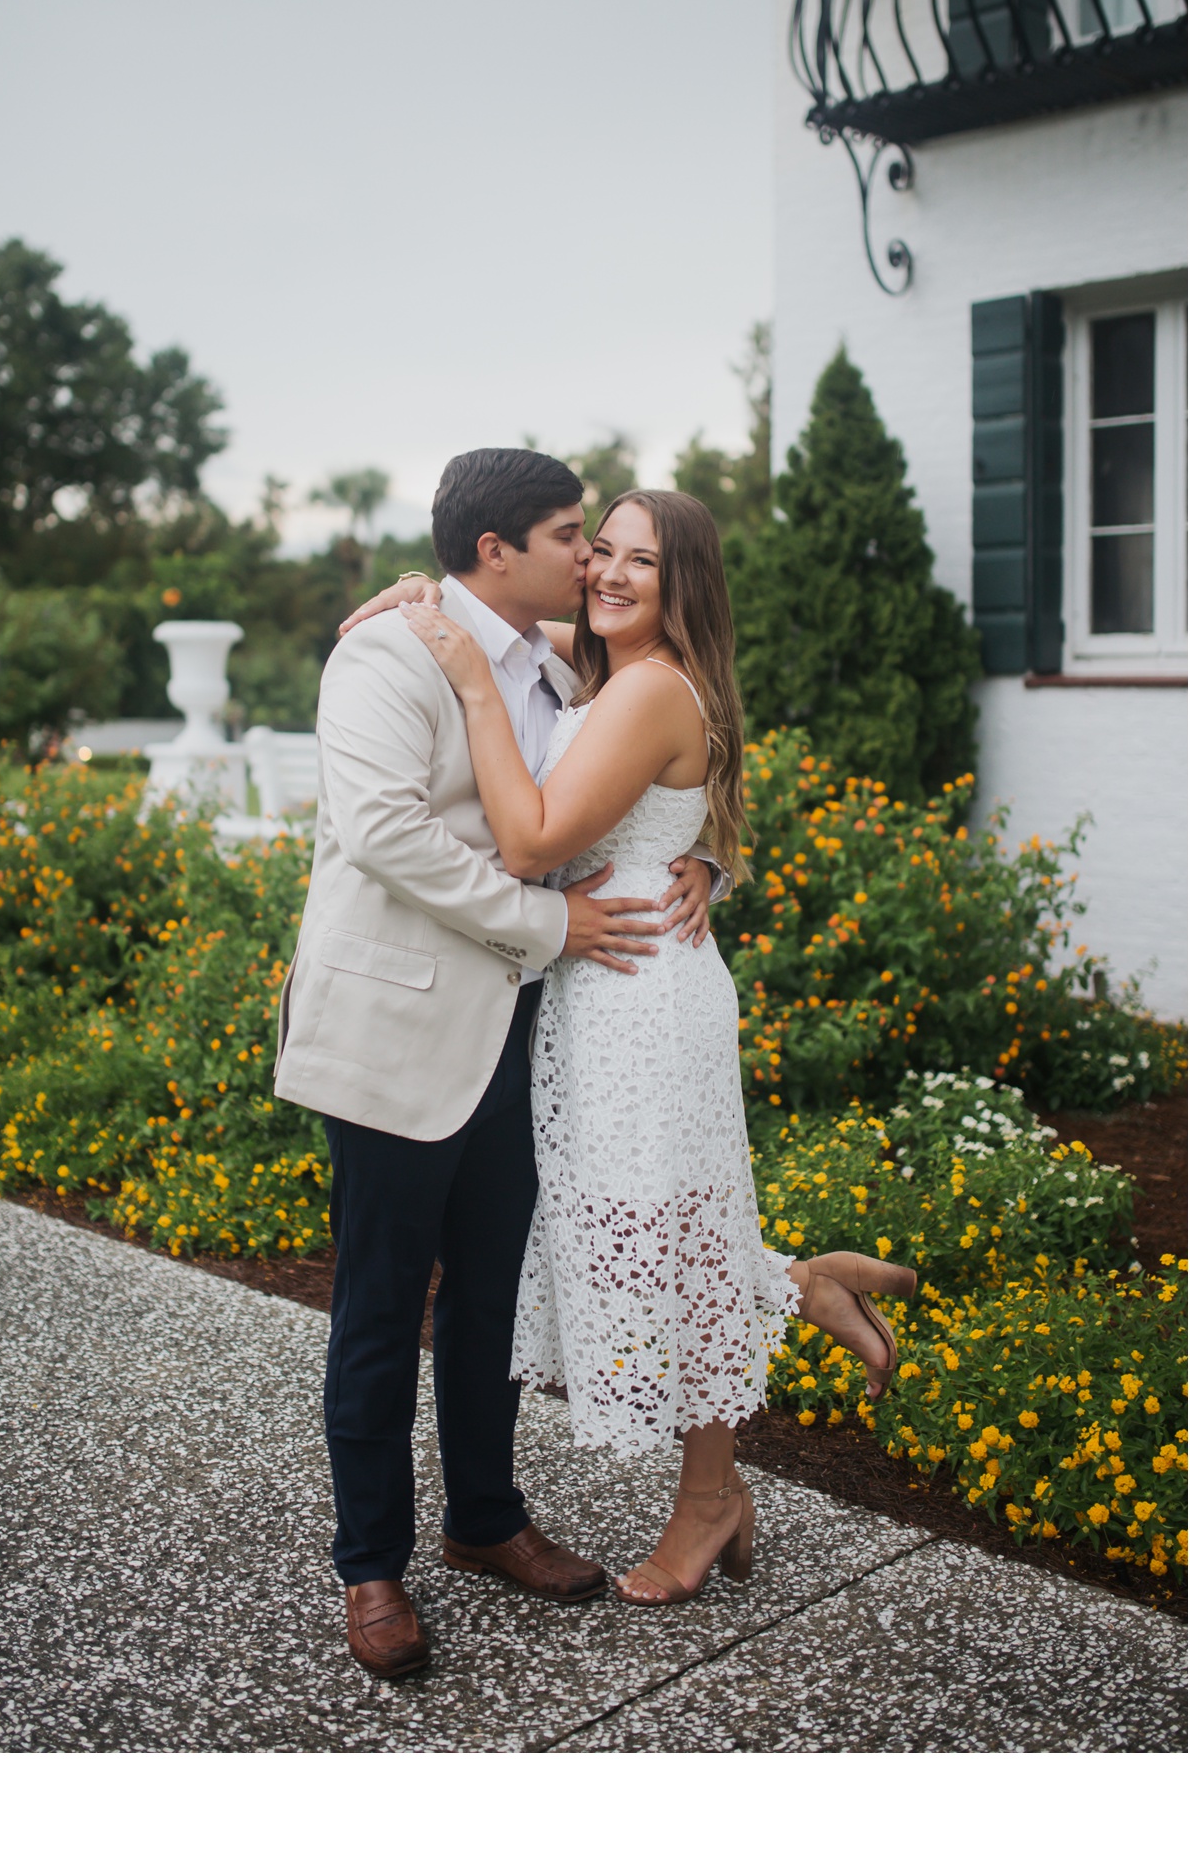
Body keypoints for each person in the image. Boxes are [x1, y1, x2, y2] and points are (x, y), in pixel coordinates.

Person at [390, 487, 917, 1605]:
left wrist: (474, 681)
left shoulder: (644, 692)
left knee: (650, 1230)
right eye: (603, 552)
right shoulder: (623, 663)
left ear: (687, 586)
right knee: (639, 1225)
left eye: (643, 561)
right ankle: (807, 1286)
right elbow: (506, 617)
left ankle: (710, 1499)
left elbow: (532, 833)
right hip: (606, 986)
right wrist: (422, 596)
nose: (610, 574)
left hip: (637, 999)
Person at [274, 448, 727, 1677]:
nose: (592, 559)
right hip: (400, 1029)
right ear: (495, 553)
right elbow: (381, 833)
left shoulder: (569, 662)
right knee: (378, 1304)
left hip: (529, 1032)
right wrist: (552, 925)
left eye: (607, 542)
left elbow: (671, 770)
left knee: (489, 1297)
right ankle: (371, 1564)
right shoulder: (387, 653)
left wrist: (696, 864)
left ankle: (485, 1518)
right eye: (575, 536)